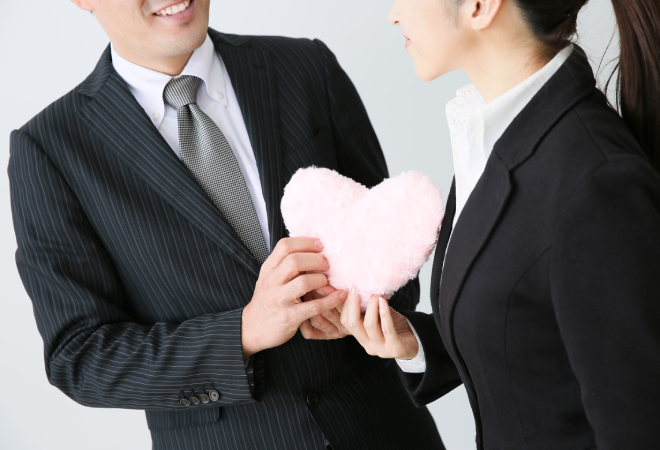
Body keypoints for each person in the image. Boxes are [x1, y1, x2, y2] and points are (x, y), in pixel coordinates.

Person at [7, 1, 446, 449]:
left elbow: (393, 247)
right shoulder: (49, 148)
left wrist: (366, 307)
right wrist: (243, 332)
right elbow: (80, 357)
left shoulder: (307, 67)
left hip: (384, 429)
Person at [336, 0, 660, 448]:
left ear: (480, 6)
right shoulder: (495, 130)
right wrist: (418, 343)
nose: (393, 14)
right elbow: (534, 329)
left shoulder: (597, 185)